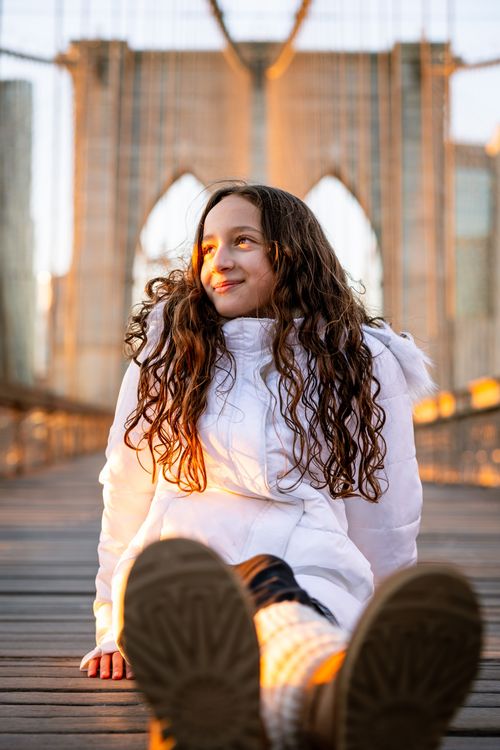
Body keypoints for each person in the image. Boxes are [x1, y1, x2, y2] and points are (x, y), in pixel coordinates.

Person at [80, 183, 482, 750]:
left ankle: (229, 714)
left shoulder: (361, 359)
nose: (219, 260)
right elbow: (125, 488)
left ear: (290, 252)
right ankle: (324, 696)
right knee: (271, 609)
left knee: (301, 602)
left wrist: (380, 618)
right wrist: (109, 625)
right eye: (207, 247)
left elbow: (386, 509)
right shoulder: (166, 353)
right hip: (179, 573)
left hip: (312, 555)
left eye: (242, 241)